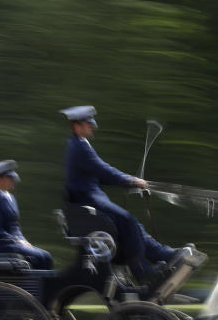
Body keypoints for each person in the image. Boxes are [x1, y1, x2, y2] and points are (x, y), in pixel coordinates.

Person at [60, 105, 193, 285]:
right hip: (88, 200)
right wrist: (130, 180)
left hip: (91, 197)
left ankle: (162, 254)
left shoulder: (78, 144)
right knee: (128, 222)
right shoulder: (80, 147)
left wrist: (127, 182)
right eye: (87, 124)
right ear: (77, 126)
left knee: (133, 224)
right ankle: (143, 272)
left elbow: (95, 174)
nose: (92, 127)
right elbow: (103, 169)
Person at [0, 160, 53, 269]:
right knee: (40, 257)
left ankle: (39, 285)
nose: (13, 180)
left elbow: (15, 227)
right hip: (1, 245)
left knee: (46, 256)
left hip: (14, 243)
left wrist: (24, 240)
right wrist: (17, 240)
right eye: (9, 178)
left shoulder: (11, 198)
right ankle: (35, 285)